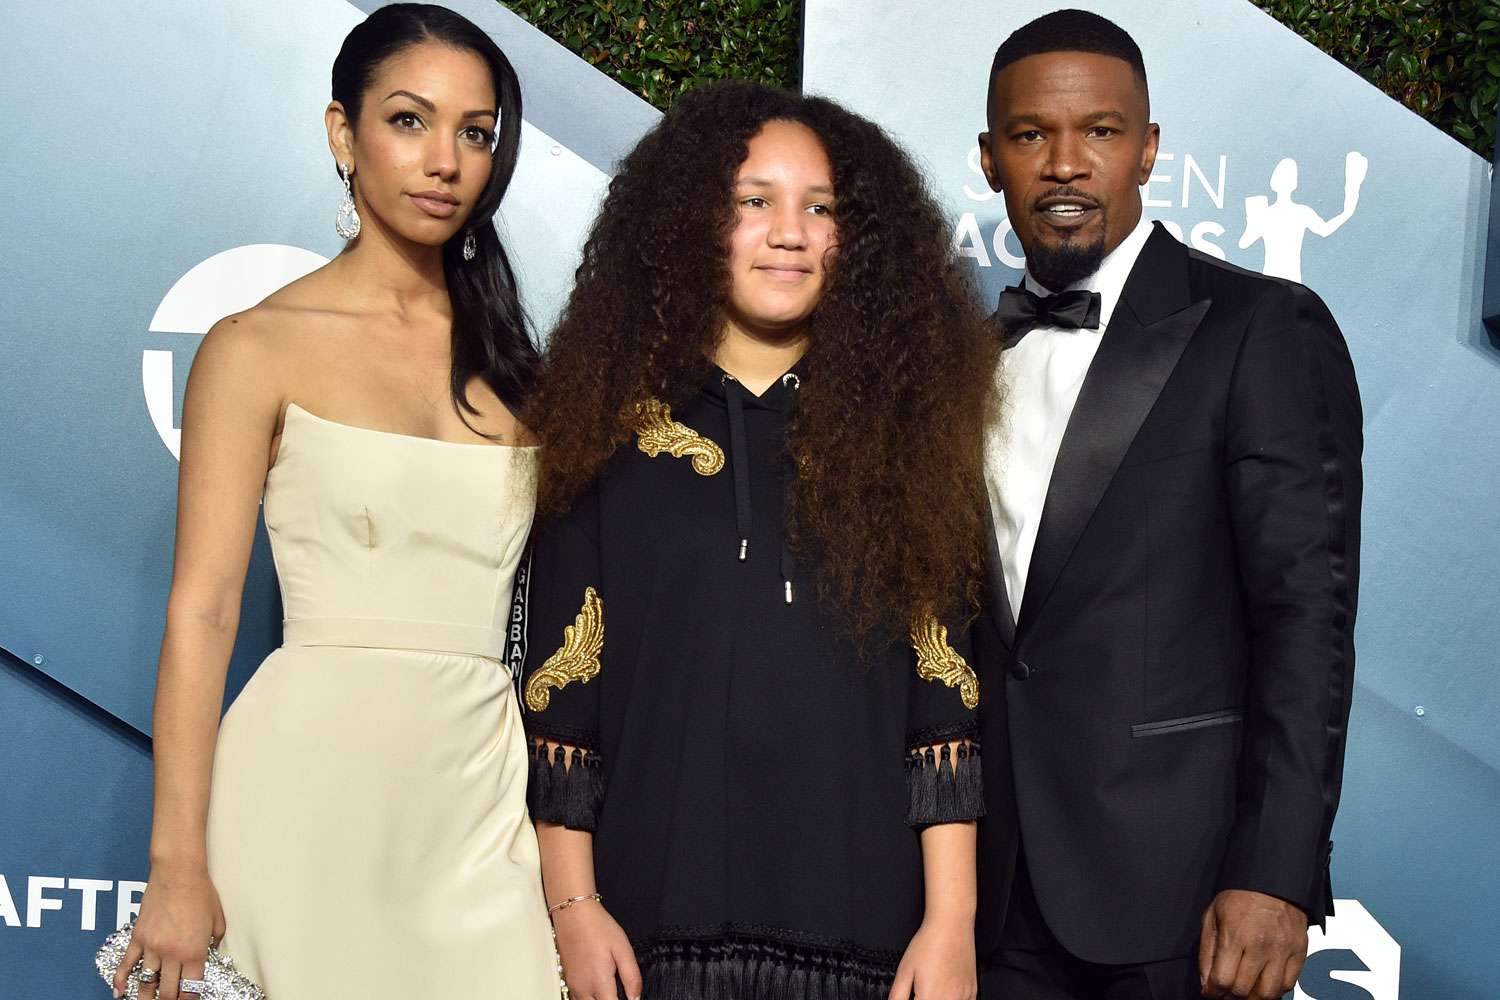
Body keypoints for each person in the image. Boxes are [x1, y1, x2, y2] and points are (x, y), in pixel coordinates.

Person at [112, 6, 559, 999]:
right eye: (410, 120)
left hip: (477, 801)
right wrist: (178, 863)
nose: (445, 159)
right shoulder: (256, 345)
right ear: (341, 134)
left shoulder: (520, 370)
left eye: (476, 132)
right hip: (303, 792)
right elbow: (203, 613)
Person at [518, 81, 998, 1000]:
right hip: (648, 933)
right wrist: (573, 909)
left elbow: (946, 711)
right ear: (691, 222)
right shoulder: (601, 429)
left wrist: (950, 924)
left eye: (820, 208)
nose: (790, 233)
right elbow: (561, 705)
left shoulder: (911, 441)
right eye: (754, 202)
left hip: (870, 943)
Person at [972, 10, 1362, 1000]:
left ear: (1148, 149)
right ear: (989, 159)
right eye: (1031, 136)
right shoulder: (960, 360)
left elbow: (1304, 618)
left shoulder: (1261, 327)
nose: (1065, 163)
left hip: (1179, 904)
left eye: (1100, 132)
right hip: (991, 892)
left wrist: (1274, 873)